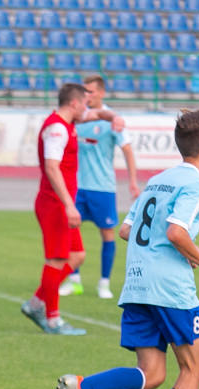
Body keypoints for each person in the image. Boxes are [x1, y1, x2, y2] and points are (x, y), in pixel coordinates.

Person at [52, 110, 199, 389]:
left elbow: (125, 230)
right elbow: (176, 232)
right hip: (170, 289)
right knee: (194, 369)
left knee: (152, 374)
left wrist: (182, 253)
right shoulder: (196, 183)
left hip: (137, 283)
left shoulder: (157, 180)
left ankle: (79, 387)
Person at [20, 83, 123, 335]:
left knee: (77, 256)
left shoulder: (69, 123)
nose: (88, 109)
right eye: (85, 104)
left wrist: (115, 117)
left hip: (62, 202)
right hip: (55, 203)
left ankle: (36, 303)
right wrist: (68, 205)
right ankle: (53, 319)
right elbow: (52, 167)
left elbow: (99, 114)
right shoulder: (57, 128)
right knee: (56, 260)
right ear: (75, 104)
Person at [59, 75, 140, 300]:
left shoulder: (112, 121)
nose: (87, 95)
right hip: (77, 187)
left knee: (107, 234)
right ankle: (74, 280)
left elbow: (128, 150)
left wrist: (133, 180)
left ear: (102, 93)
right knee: (69, 230)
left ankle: (104, 282)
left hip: (102, 188)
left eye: (91, 92)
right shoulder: (78, 117)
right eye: (85, 91)